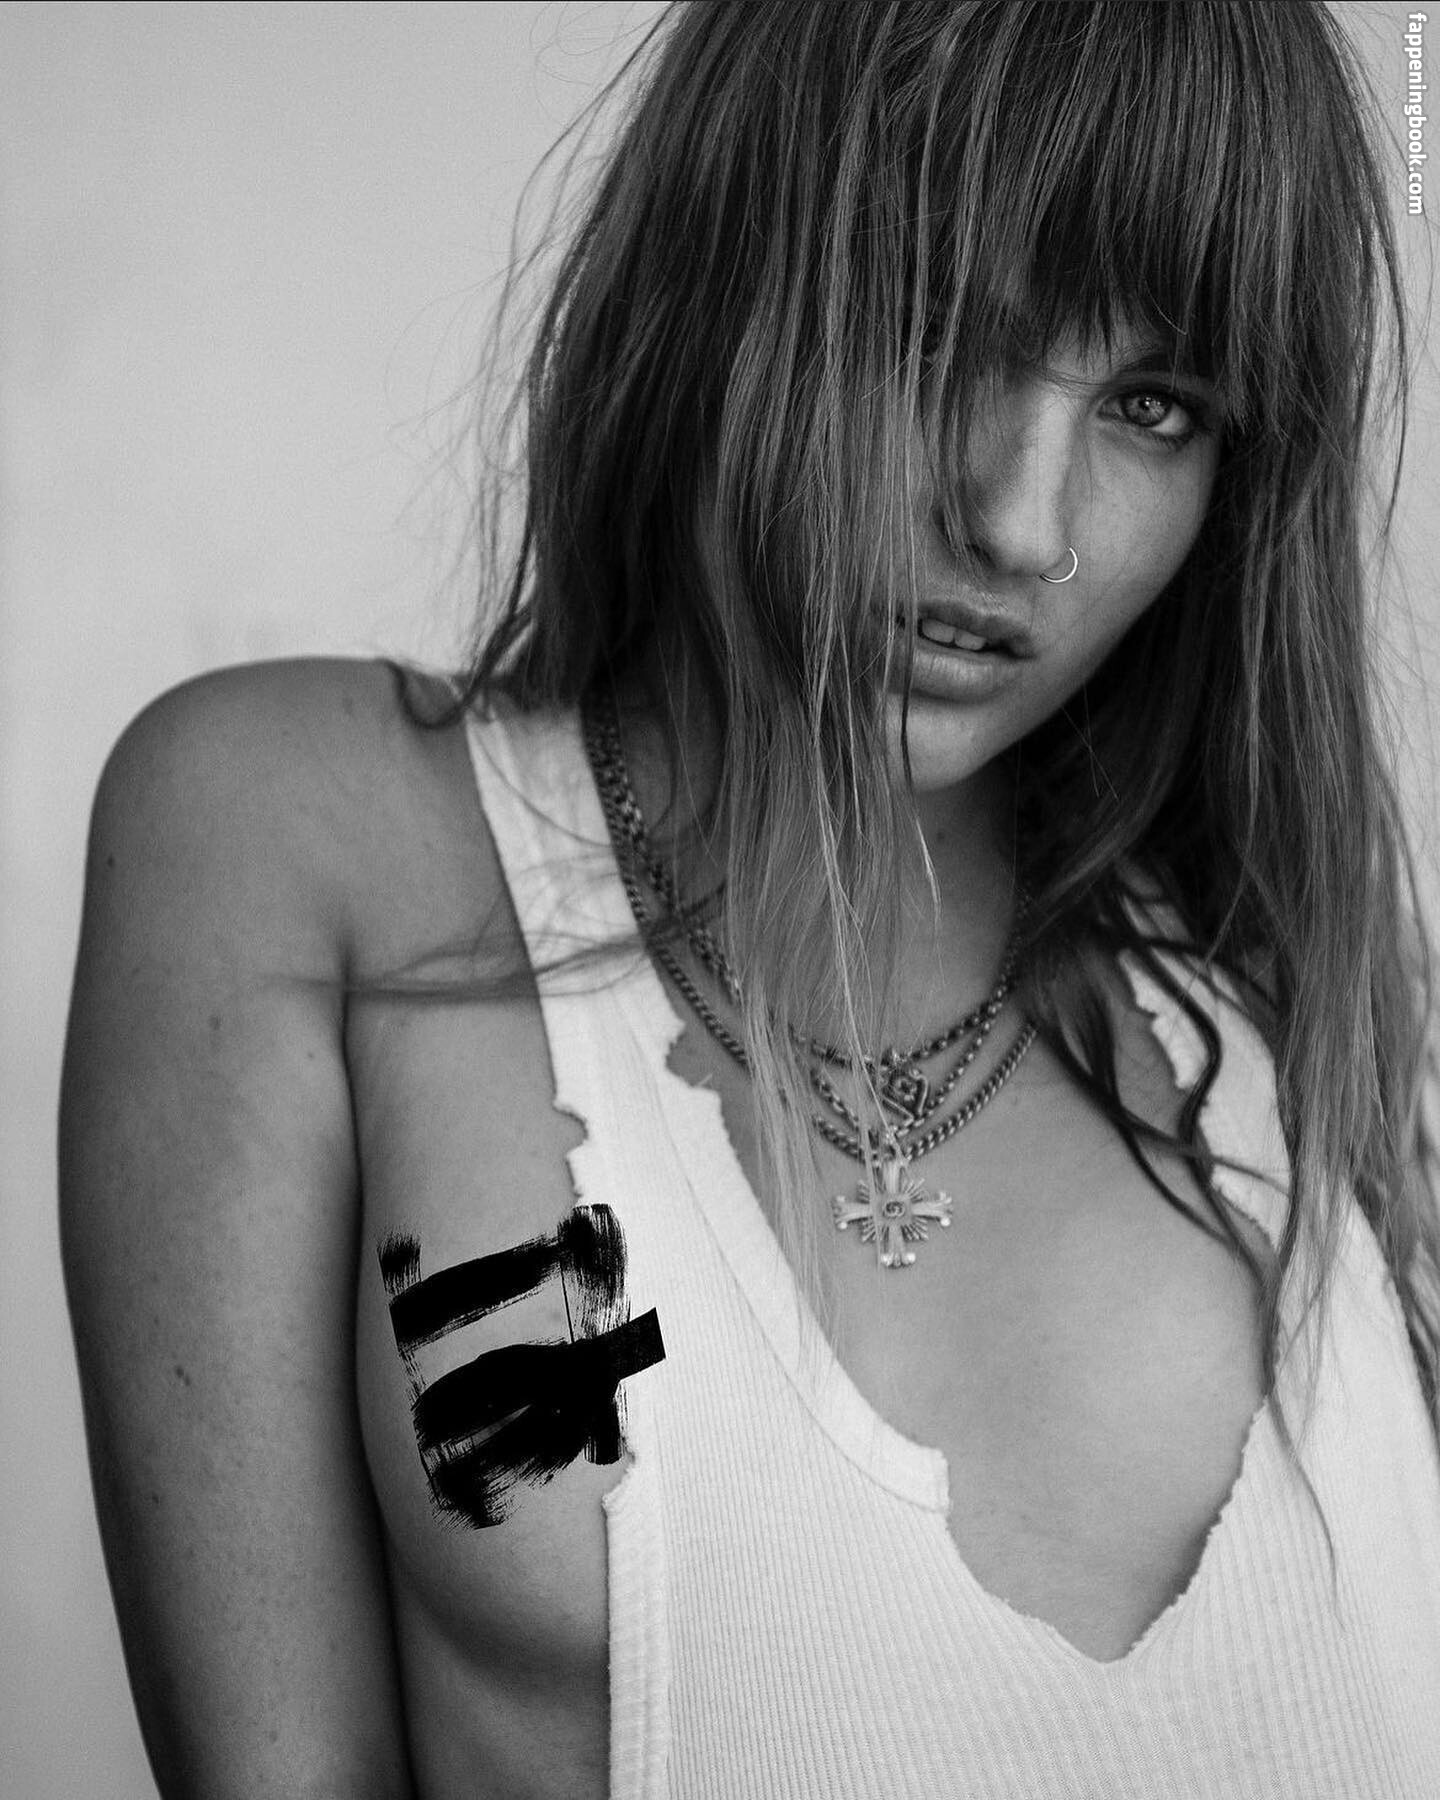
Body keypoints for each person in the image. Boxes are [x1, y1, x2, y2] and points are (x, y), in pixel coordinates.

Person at [59, 2, 1440, 1796]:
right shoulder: (306, 839)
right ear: (725, 261)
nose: (1022, 522)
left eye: (1152, 406)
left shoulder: (1296, 996)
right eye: (935, 329)